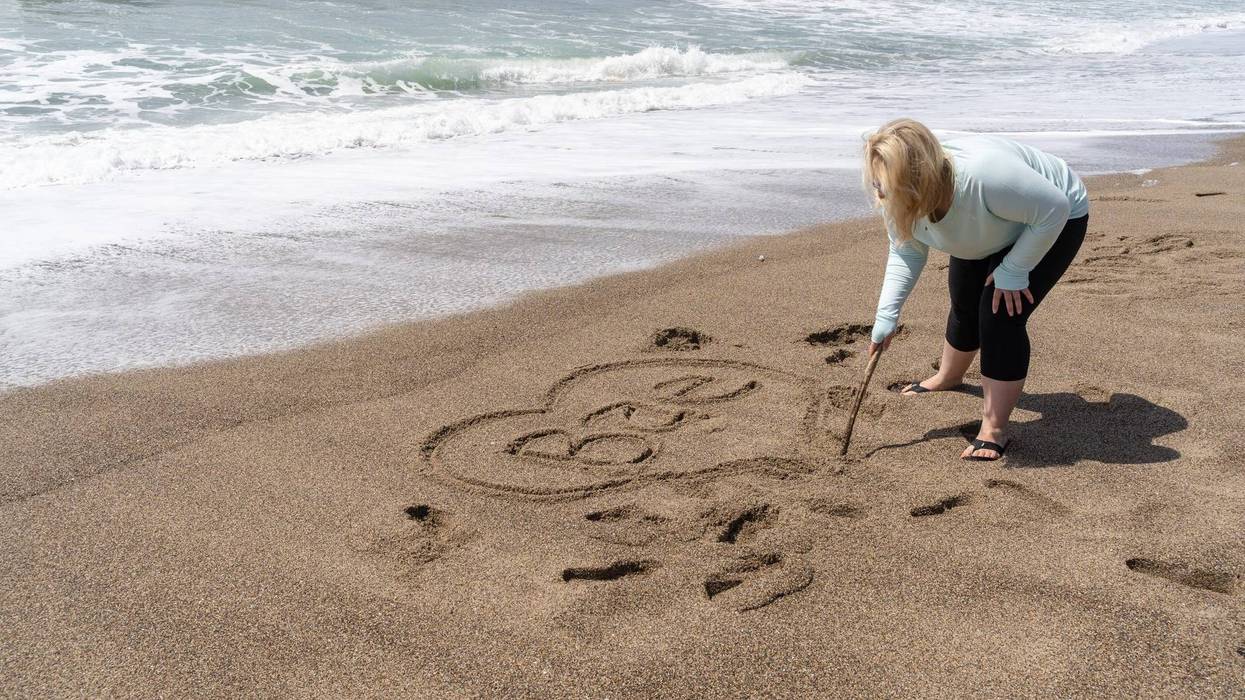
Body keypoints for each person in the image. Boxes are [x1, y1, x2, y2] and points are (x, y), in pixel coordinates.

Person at [862, 118, 1090, 461]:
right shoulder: (893, 193)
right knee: (964, 297)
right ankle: (948, 376)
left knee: (999, 313)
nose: (879, 193)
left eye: (886, 186)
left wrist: (1014, 270)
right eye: (877, 183)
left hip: (1051, 217)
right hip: (989, 222)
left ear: (917, 182)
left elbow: (1053, 208)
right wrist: (886, 315)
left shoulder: (984, 177)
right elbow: (906, 249)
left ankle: (994, 429)